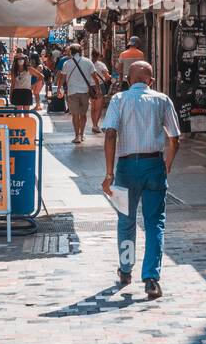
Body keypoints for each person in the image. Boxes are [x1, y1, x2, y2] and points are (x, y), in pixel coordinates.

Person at [101, 61, 180, 300]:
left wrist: (108, 173)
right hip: (154, 164)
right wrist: (167, 165)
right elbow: (175, 138)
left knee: (126, 221)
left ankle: (126, 270)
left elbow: (110, 133)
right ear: (151, 81)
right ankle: (151, 279)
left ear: (128, 80)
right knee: (155, 222)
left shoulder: (118, 99)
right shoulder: (162, 99)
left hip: (126, 168)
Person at [59, 43, 99, 144]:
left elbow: (62, 78)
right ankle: (82, 134)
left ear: (71, 52)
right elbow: (95, 77)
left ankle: (77, 136)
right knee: (83, 114)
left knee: (75, 115)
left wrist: (59, 88)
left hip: (72, 92)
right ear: (80, 51)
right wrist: (98, 90)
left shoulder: (67, 63)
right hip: (85, 92)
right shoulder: (88, 62)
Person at [89, 49, 112, 134]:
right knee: (98, 108)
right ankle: (95, 125)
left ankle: (94, 124)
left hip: (90, 87)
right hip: (100, 86)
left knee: (93, 107)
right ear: (99, 56)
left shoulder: (88, 64)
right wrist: (110, 77)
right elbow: (107, 77)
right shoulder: (101, 65)